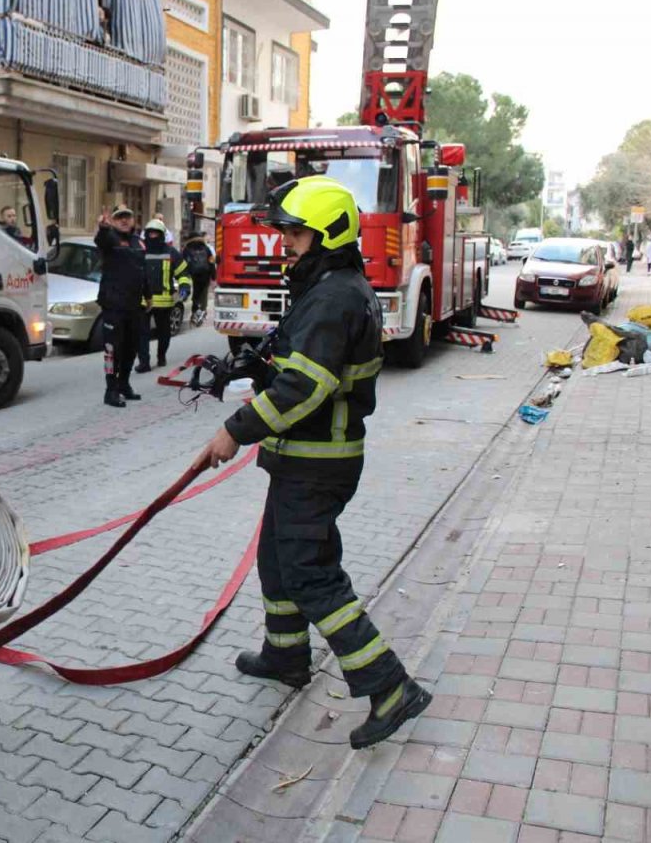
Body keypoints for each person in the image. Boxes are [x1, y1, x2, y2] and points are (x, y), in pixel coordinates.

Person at [193, 176, 430, 750]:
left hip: (318, 462)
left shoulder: (334, 298)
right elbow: (297, 367)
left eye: (295, 234)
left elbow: (307, 387)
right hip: (301, 457)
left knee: (311, 573)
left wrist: (235, 430)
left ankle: (389, 686)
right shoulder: (329, 287)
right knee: (277, 561)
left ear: (326, 235)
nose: (285, 244)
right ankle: (286, 654)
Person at [94, 204, 151, 408]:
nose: (124, 221)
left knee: (131, 348)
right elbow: (101, 240)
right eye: (119, 218)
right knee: (113, 350)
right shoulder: (110, 239)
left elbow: (143, 272)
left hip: (134, 306)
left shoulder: (139, 243)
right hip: (113, 306)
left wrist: (149, 296)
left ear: (133, 220)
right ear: (114, 221)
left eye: (127, 217)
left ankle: (124, 385)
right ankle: (111, 391)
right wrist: (103, 228)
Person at [135, 220, 191, 371]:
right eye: (150, 233)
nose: (152, 236)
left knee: (164, 333)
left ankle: (161, 357)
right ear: (146, 234)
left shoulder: (171, 253)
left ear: (161, 235)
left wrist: (184, 287)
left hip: (164, 301)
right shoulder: (140, 251)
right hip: (143, 301)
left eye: (156, 233)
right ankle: (144, 362)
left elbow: (183, 273)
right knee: (142, 334)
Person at [183, 232, 216, 327]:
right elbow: (211, 261)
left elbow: (183, 262)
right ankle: (202, 310)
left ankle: (195, 312)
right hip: (205, 273)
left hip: (192, 274)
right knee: (203, 293)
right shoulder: (206, 248)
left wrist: (184, 274)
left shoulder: (187, 248)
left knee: (195, 294)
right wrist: (213, 275)